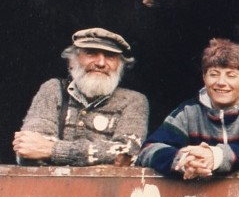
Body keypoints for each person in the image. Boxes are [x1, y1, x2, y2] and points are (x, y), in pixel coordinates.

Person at [136, 38, 239, 179]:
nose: (221, 82)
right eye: (214, 74)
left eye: (231, 75)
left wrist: (218, 156)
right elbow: (148, 149)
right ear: (204, 78)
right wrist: (185, 160)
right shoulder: (189, 111)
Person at [13, 27, 148, 167]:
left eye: (110, 56)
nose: (101, 63)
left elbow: (126, 155)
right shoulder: (52, 89)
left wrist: (53, 150)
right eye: (91, 53)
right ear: (72, 61)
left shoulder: (134, 101)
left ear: (120, 66)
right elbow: (28, 149)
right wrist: (101, 154)